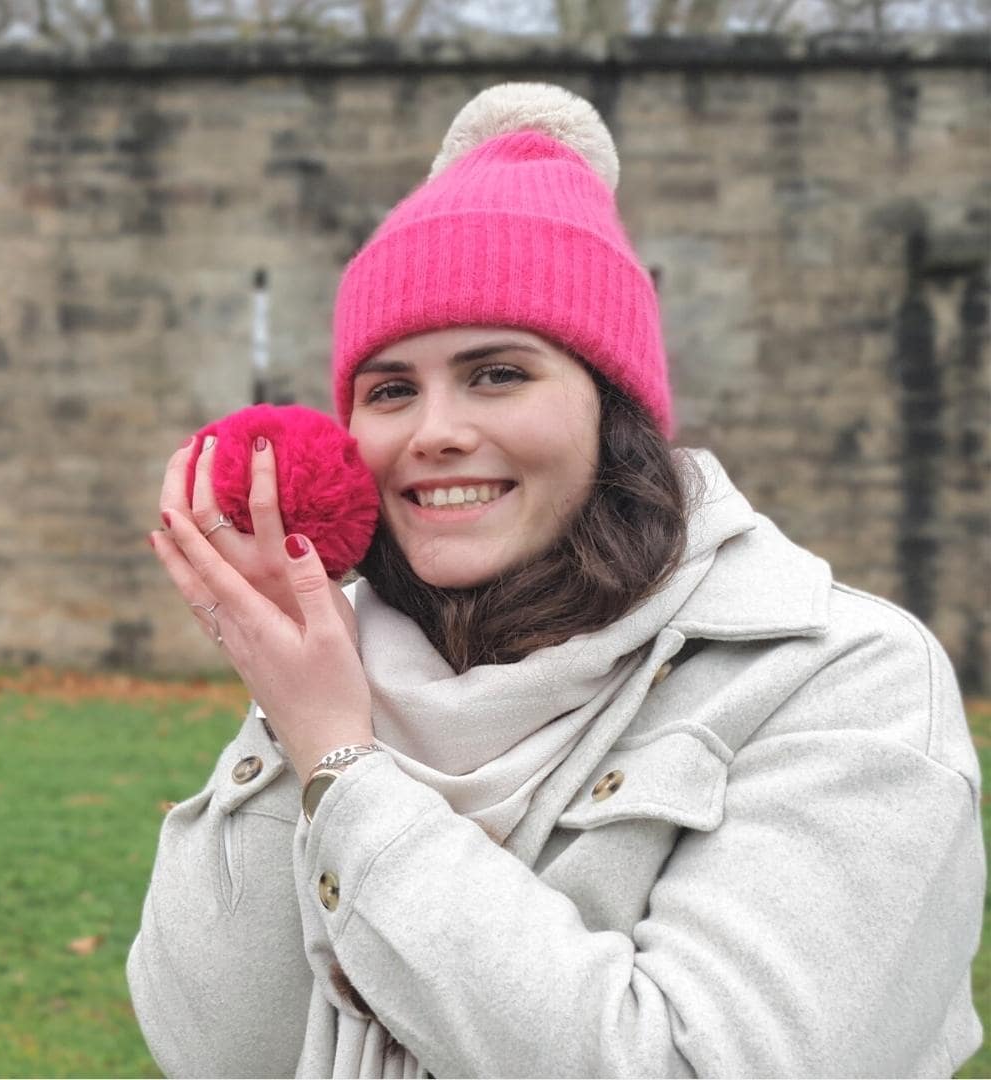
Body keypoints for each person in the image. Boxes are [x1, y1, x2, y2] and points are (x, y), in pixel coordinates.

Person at [129, 83, 984, 1079]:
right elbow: (223, 1052)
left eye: (499, 373)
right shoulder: (347, 677)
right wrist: (288, 717)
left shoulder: (842, 680)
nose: (435, 429)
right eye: (392, 389)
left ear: (610, 409)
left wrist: (342, 768)